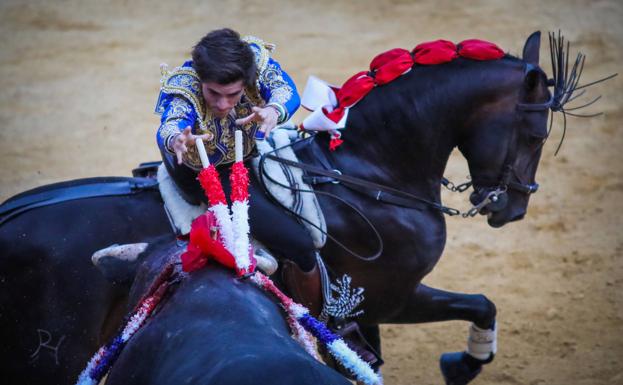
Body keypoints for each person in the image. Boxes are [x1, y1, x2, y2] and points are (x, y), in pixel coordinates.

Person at [155, 28, 323, 316]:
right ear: (200, 80)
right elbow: (173, 121)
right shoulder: (186, 86)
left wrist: (273, 110)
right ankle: (319, 322)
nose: (222, 104)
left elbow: (285, 91)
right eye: (213, 93)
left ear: (246, 80)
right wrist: (176, 139)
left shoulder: (256, 62)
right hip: (204, 171)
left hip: (246, 153)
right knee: (300, 245)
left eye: (232, 95)